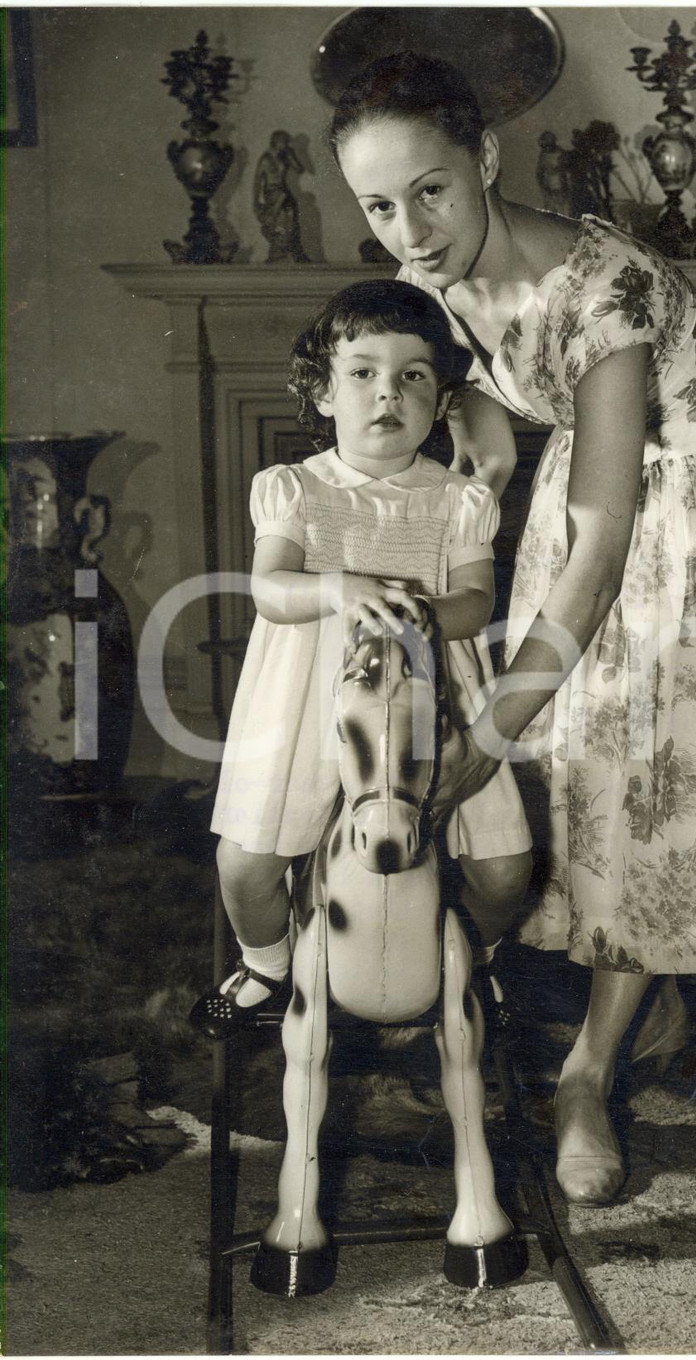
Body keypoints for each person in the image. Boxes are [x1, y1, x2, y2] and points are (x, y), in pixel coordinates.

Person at [327, 53, 696, 1205]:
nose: (410, 231)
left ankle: (585, 1077)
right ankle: (617, 1007)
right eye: (380, 205)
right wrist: (477, 415)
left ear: (485, 158)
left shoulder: (603, 292)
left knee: (648, 774)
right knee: (595, 776)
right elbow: (484, 371)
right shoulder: (427, 270)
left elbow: (597, 559)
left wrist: (485, 735)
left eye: (432, 191)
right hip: (599, 483)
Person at [189, 279, 532, 1039]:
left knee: (506, 867)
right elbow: (270, 589)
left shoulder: (458, 499)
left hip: (432, 692)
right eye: (363, 373)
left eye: (413, 376)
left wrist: (424, 613)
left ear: (440, 403)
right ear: (322, 392)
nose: (388, 393)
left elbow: (476, 601)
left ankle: (478, 956)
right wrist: (338, 587)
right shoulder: (295, 490)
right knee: (244, 865)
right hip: (303, 696)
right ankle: (267, 965)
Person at [253, 130, 310, 264]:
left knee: (291, 217)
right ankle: (279, 252)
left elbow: (299, 169)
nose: (285, 145)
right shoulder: (265, 159)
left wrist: (290, 155)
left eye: (286, 143)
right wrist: (255, 201)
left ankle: (292, 250)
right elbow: (257, 181)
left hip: (284, 191)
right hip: (272, 192)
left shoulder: (285, 156)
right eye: (283, 142)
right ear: (276, 142)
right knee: (278, 220)